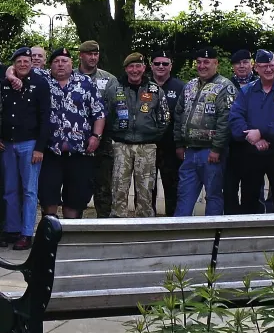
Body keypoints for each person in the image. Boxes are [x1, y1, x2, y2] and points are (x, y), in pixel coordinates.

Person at [24, 47, 106, 219]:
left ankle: (72, 236)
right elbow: (15, 69)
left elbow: (98, 113)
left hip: (80, 152)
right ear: (50, 65)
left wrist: (96, 136)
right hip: (49, 152)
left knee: (76, 199)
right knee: (48, 196)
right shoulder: (41, 79)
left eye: (64, 61)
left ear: (71, 64)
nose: (60, 65)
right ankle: (50, 233)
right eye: (56, 61)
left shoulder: (86, 82)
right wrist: (10, 74)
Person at [228, 49, 274, 214]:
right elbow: (235, 118)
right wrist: (253, 138)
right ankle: (249, 237)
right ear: (256, 68)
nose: (268, 70)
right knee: (249, 199)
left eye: (271, 66)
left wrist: (261, 133)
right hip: (251, 151)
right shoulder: (247, 91)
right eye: (263, 66)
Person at [105, 52, 169, 217]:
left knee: (145, 189)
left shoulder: (155, 90)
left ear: (144, 68)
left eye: (138, 66)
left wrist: (153, 135)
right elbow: (106, 115)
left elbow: (164, 117)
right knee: (119, 188)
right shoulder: (114, 89)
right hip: (121, 145)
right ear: (126, 69)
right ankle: (117, 224)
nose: (135, 70)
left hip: (146, 146)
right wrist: (115, 133)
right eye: (131, 66)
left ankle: (144, 227)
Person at [173, 47, 235, 216]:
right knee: (184, 195)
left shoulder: (225, 87)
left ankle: (211, 235)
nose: (202, 66)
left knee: (213, 195)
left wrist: (217, 149)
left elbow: (226, 120)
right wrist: (179, 143)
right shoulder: (190, 85)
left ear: (216, 64)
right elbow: (178, 113)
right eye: (199, 62)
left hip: (211, 152)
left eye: (207, 62)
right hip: (189, 150)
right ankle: (179, 235)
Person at [0, 48, 50, 249]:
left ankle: (27, 233)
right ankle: (12, 230)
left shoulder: (40, 84)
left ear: (32, 63)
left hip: (30, 144)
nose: (23, 64)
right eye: (19, 61)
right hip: (7, 144)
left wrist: (40, 148)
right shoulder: (5, 83)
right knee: (10, 189)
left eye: (27, 61)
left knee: (30, 191)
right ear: (14, 63)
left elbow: (45, 118)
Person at [77, 40, 119, 218]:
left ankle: (104, 225)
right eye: (89, 54)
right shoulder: (70, 76)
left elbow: (116, 108)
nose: (93, 57)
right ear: (81, 55)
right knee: (77, 185)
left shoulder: (109, 79)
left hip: (102, 140)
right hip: (76, 140)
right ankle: (75, 223)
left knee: (103, 186)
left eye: (96, 54)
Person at [149, 50, 185, 216]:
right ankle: (148, 225)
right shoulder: (144, 85)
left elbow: (184, 117)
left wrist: (181, 144)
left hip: (171, 147)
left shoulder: (181, 87)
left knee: (173, 189)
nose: (161, 67)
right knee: (147, 190)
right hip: (147, 146)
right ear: (151, 65)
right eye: (157, 63)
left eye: (165, 63)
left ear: (171, 65)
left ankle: (173, 224)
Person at [224, 49, 257, 215]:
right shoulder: (226, 85)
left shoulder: (261, 83)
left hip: (253, 144)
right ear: (233, 66)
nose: (242, 66)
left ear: (252, 64)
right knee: (229, 188)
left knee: (251, 188)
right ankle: (230, 224)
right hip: (231, 144)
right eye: (238, 63)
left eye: (245, 62)